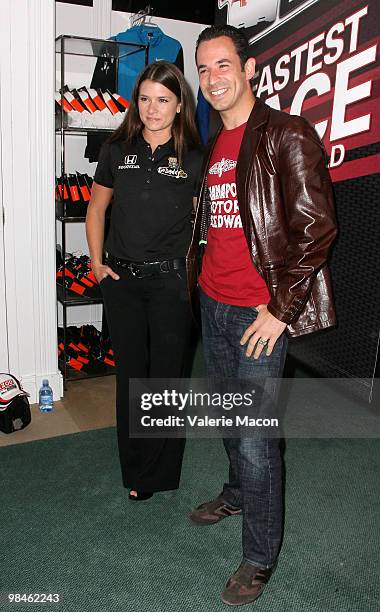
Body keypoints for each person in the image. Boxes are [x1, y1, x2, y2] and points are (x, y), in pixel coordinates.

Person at [187, 25, 337, 606]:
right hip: (213, 303)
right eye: (204, 70)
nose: (213, 79)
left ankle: (259, 554)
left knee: (254, 436)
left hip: (259, 315)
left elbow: (317, 228)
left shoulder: (286, 134)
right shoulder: (212, 148)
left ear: (250, 69)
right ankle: (238, 492)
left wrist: (280, 310)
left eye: (223, 65)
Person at [86, 61, 202, 501]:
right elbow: (96, 209)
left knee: (167, 379)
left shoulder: (194, 156)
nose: (153, 109)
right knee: (132, 378)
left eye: (163, 100)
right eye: (146, 98)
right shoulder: (117, 149)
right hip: (123, 283)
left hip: (170, 284)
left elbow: (203, 221)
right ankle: (136, 470)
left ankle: (160, 473)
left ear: (178, 105)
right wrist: (97, 265)